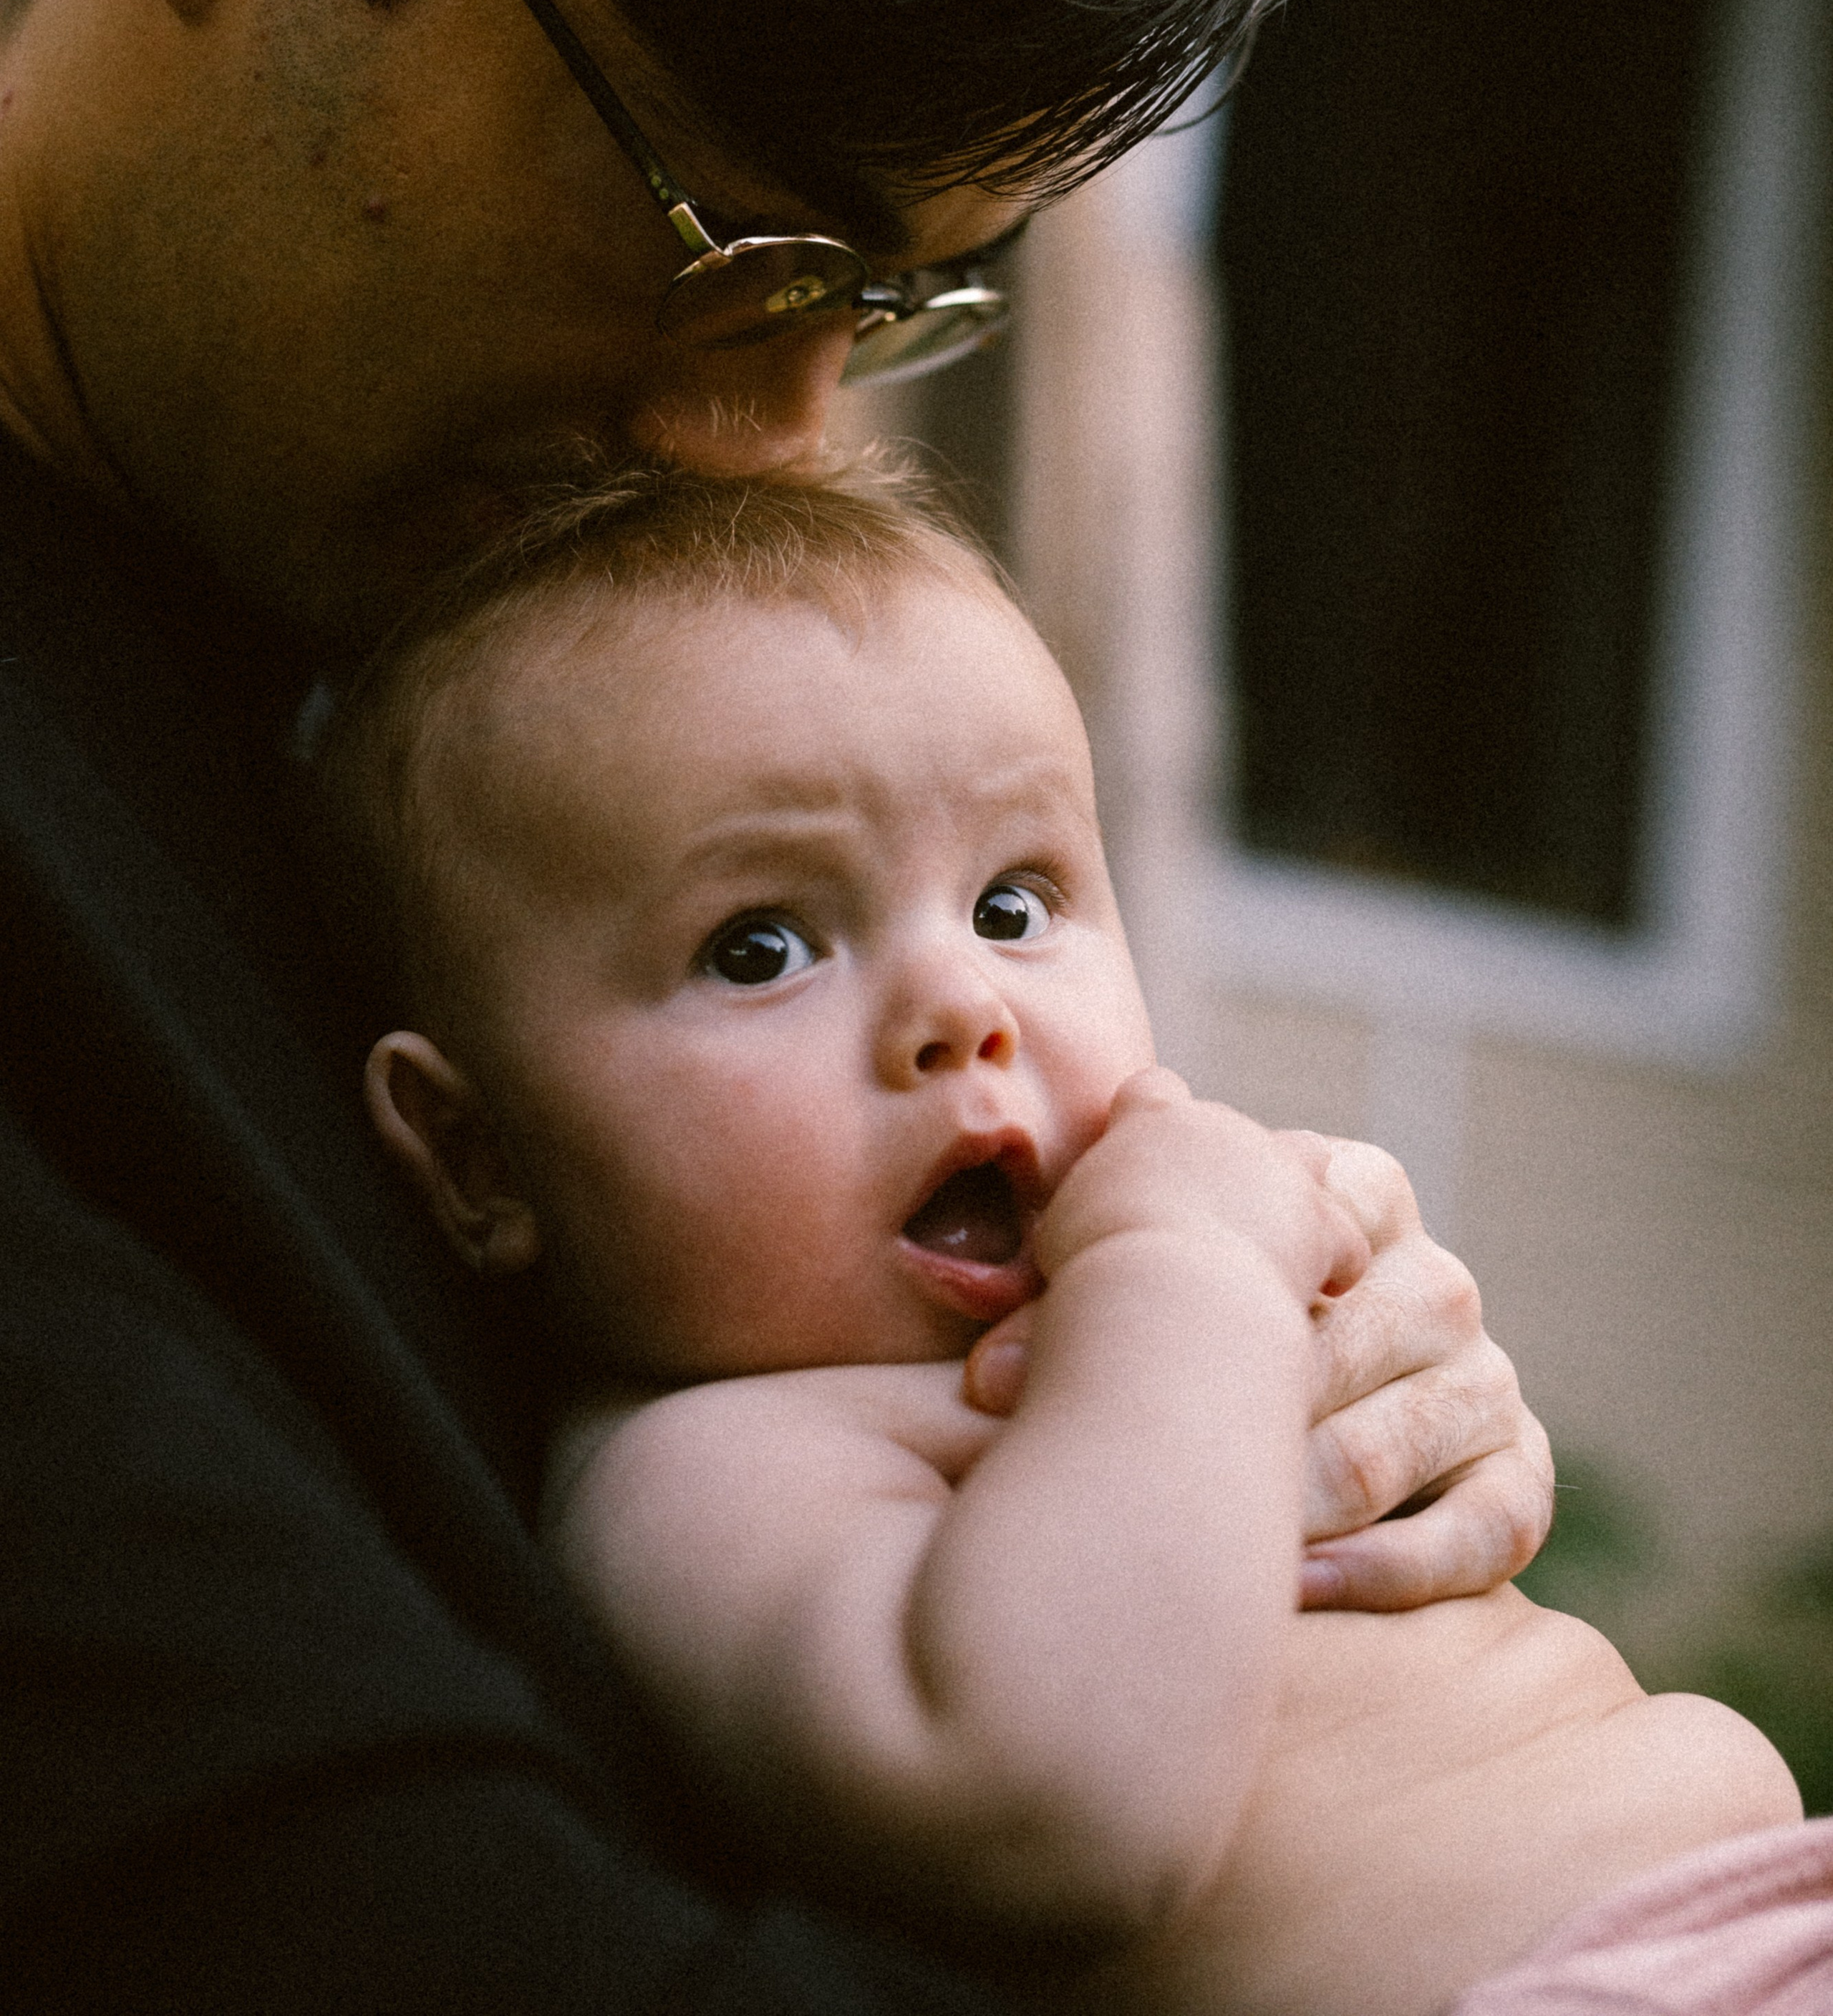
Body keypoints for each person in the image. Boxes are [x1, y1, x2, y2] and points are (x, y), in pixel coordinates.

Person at [0, 0, 1553, 2004]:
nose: (758, 442)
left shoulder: (496, 687)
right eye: (722, 229)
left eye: (891, 303)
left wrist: (1285, 1425)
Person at [311, 463, 1798, 2016]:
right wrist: (1189, 1269)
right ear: (480, 1159)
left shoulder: (1130, 1287)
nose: (963, 1005)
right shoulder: (713, 1466)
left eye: (1013, 904)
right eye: (760, 946)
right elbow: (1050, 1812)